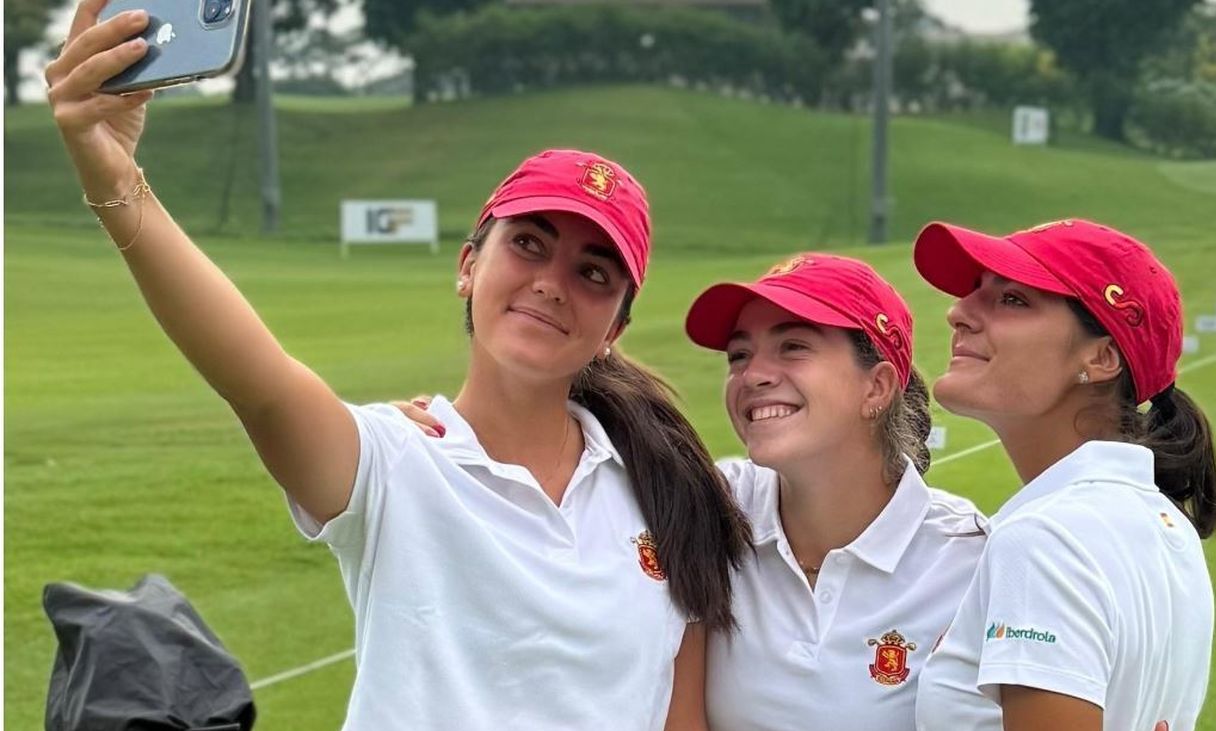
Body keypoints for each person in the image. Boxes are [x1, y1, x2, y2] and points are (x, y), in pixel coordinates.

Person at [43, 4, 750, 729]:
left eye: (594, 272)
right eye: (530, 244)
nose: (551, 281)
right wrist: (113, 171)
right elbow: (254, 378)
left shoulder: (666, 489)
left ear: (616, 328)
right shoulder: (395, 461)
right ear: (468, 266)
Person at [400, 252, 988, 730]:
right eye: (740, 355)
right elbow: (550, 467)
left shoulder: (972, 563)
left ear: (877, 386)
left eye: (793, 347)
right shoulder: (706, 504)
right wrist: (446, 432)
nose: (754, 374)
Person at [910, 219, 1216, 731]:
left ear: (1101, 358)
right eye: (975, 293)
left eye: (1012, 300)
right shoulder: (1165, 524)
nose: (958, 312)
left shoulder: (1043, 538)